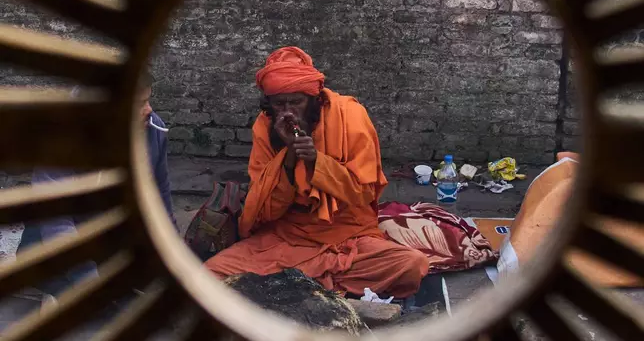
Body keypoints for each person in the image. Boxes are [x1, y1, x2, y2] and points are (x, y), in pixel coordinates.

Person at [206, 47, 429, 298]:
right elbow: (265, 209)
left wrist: (316, 161)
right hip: (286, 239)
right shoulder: (264, 127)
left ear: (314, 99)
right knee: (210, 274)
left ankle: (295, 286)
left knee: (412, 265)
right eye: (279, 104)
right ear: (269, 104)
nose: (288, 112)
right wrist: (289, 157)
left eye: (296, 102)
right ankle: (319, 287)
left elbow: (363, 193)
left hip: (347, 236)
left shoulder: (350, 115)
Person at [17, 73, 177, 305]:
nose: (149, 110)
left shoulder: (153, 131)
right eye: (139, 104)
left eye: (148, 101)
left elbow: (160, 190)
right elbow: (57, 222)